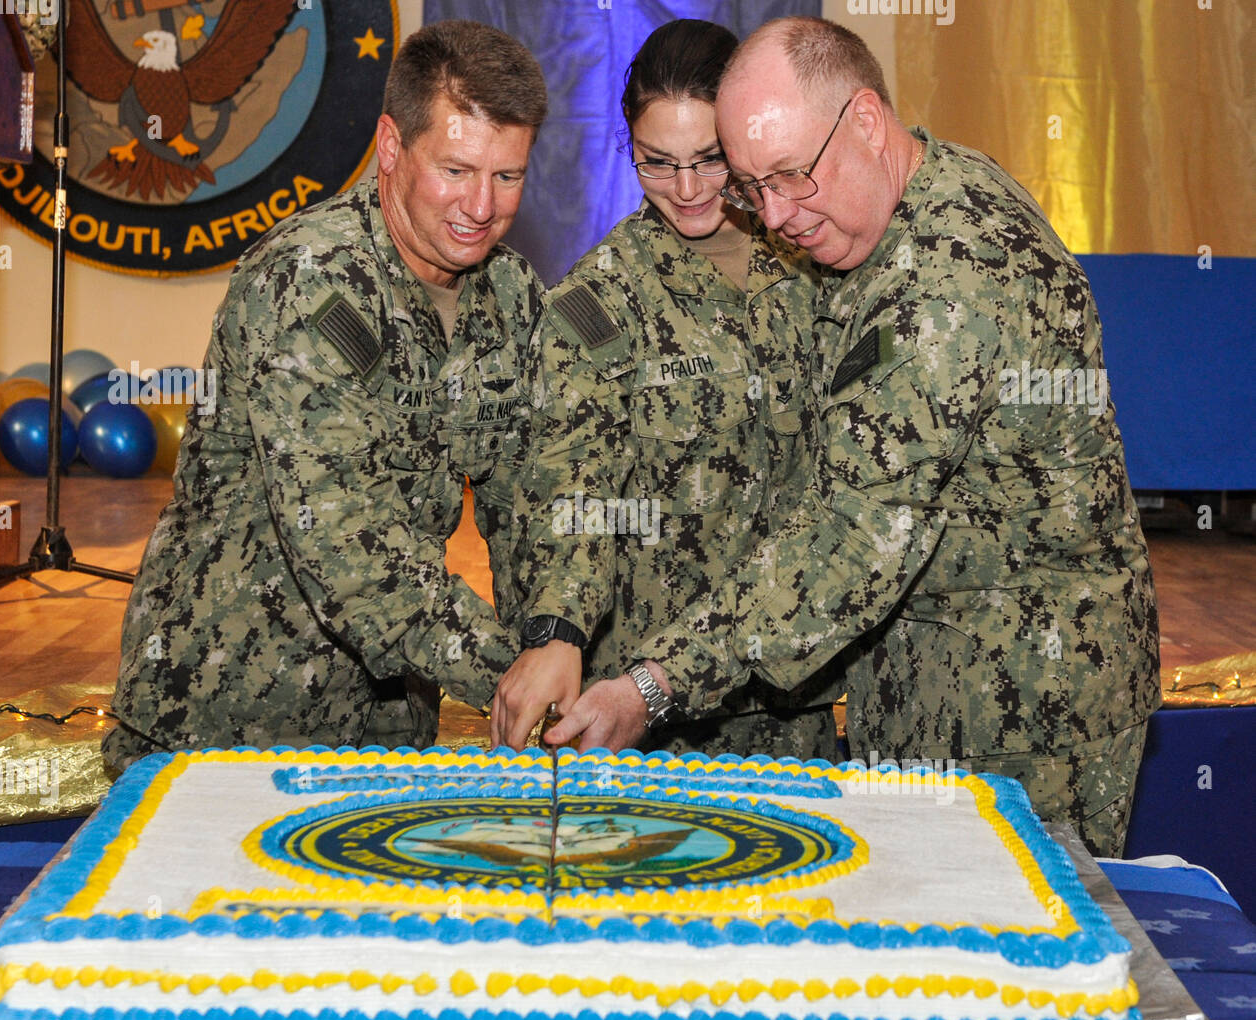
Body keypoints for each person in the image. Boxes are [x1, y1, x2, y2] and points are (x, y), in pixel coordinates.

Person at [545, 17, 1160, 858]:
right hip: (933, 685)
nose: (776, 215)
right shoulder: (918, 190)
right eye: (753, 186)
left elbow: (850, 543)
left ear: (867, 123)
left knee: (999, 973)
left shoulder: (950, 283)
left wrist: (652, 687)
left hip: (1020, 711)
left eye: (793, 178)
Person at [102, 21, 548, 772]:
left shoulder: (509, 295)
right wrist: (518, 677)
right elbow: (351, 550)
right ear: (390, 147)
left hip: (385, 726)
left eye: (508, 177)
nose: (482, 205)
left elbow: (531, 501)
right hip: (223, 723)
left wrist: (556, 639)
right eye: (457, 170)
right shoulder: (310, 280)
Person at [490, 19, 840, 757]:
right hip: (651, 713)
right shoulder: (600, 302)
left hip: (794, 693)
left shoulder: (815, 262)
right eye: (656, 162)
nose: (686, 190)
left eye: (711, 160)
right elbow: (572, 489)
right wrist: (558, 630)